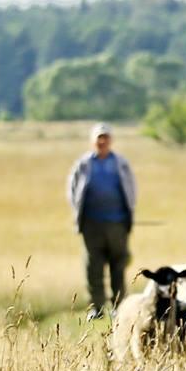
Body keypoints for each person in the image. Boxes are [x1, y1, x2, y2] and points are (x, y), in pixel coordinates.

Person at [67, 122, 138, 319]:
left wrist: (129, 213)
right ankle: (97, 308)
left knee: (118, 265)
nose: (102, 141)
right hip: (92, 225)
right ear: (93, 141)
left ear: (111, 140)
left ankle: (119, 307)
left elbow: (132, 189)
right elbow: (72, 190)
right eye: (99, 138)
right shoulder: (84, 164)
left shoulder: (121, 164)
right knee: (94, 267)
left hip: (118, 223)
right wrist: (78, 215)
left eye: (105, 137)